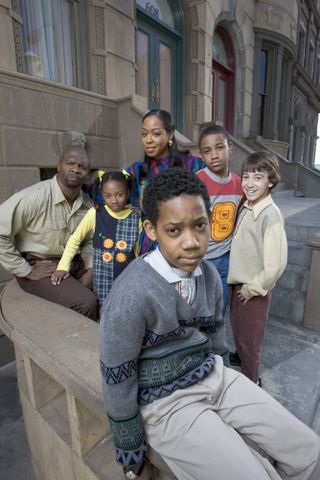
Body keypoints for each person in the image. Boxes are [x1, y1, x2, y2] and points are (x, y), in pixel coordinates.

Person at [100, 168, 320, 480]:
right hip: (165, 403)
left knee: (309, 452)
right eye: (174, 230)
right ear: (151, 229)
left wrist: (230, 395)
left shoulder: (210, 276)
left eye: (199, 226)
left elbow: (217, 343)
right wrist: (131, 460)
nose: (191, 242)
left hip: (213, 376)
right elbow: (117, 382)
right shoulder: (130, 296)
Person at [0, 145, 98, 320]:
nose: (76, 169)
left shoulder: (87, 205)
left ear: (87, 173)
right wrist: (26, 270)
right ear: (59, 165)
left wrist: (90, 269)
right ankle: (77, 346)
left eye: (82, 166)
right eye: (71, 163)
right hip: (41, 264)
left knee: (109, 284)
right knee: (87, 302)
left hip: (71, 262)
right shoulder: (33, 198)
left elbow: (89, 241)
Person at [227, 151, 288, 385]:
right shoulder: (247, 206)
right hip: (239, 283)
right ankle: (241, 358)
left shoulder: (270, 215)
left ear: (270, 181)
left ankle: (251, 384)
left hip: (253, 289)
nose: (249, 184)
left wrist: (253, 288)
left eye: (258, 177)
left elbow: (275, 264)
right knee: (239, 333)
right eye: (246, 177)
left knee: (250, 342)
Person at [52, 171, 141, 310]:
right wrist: (63, 266)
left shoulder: (136, 218)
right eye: (108, 196)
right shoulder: (95, 213)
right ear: (102, 194)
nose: (114, 200)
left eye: (120, 194)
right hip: (102, 280)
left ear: (128, 193)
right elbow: (75, 240)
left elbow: (138, 251)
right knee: (104, 312)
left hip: (129, 279)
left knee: (127, 311)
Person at [126, 109, 204, 253]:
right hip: (149, 245)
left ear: (170, 135)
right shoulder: (136, 171)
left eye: (155, 133)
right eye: (144, 134)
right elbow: (107, 190)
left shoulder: (193, 165)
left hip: (182, 243)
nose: (148, 140)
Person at [197, 125, 243, 365]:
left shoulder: (239, 184)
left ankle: (215, 357)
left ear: (230, 148)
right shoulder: (199, 182)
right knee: (197, 309)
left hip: (225, 259)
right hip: (201, 260)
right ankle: (196, 352)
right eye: (207, 151)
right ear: (201, 155)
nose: (214, 155)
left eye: (219, 148)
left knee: (219, 312)